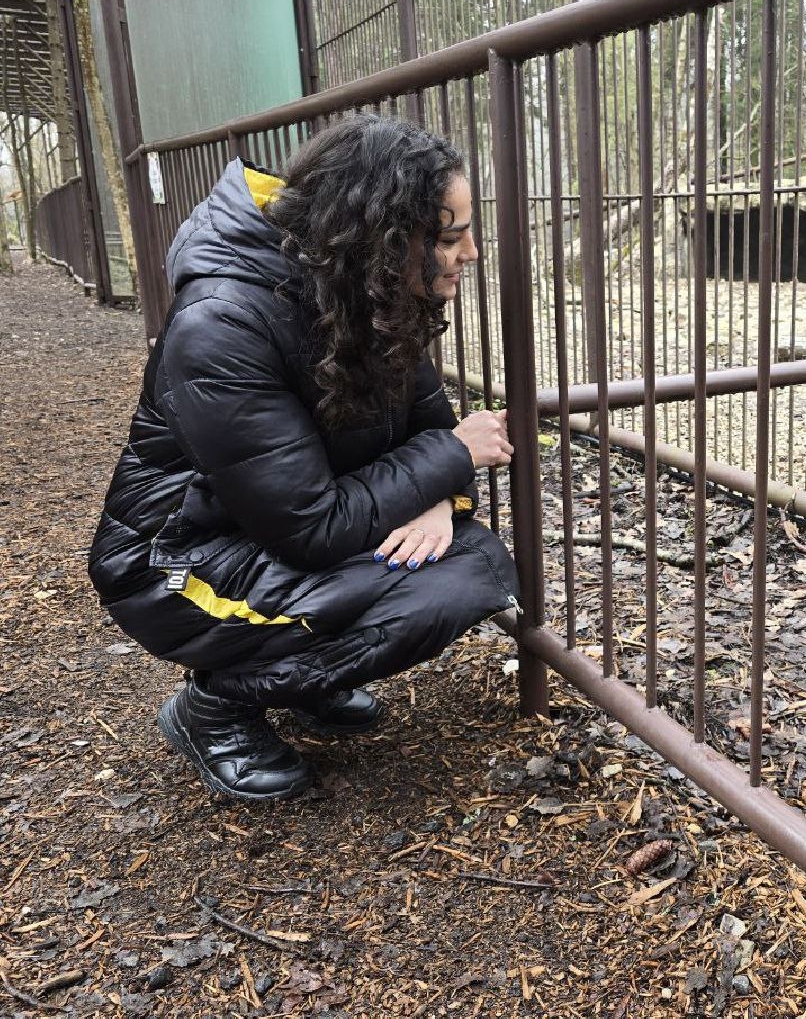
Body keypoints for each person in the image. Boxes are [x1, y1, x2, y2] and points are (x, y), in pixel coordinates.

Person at [88, 115, 520, 802]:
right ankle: (217, 706)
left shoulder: (365, 293)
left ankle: (305, 679)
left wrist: (440, 494)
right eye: (446, 235)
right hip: (173, 563)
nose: (469, 251)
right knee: (445, 585)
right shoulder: (222, 325)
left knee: (471, 558)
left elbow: (433, 429)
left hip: (269, 531)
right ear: (376, 232)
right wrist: (451, 456)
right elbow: (312, 527)